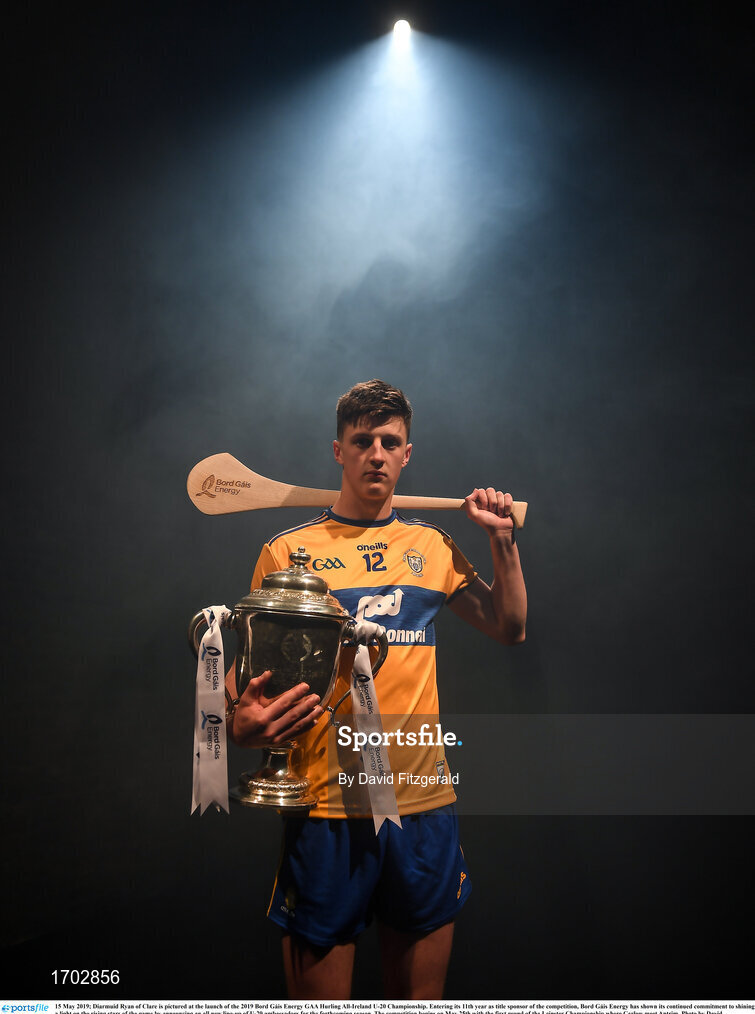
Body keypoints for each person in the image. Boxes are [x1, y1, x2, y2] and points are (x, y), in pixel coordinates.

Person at [225, 379, 527, 1000]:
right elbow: (241, 683)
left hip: (422, 806)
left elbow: (509, 627)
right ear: (338, 450)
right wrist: (238, 724)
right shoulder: (288, 551)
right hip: (327, 808)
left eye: (391, 442)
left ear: (407, 454)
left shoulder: (433, 545)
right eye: (363, 441)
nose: (377, 454)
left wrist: (500, 541)